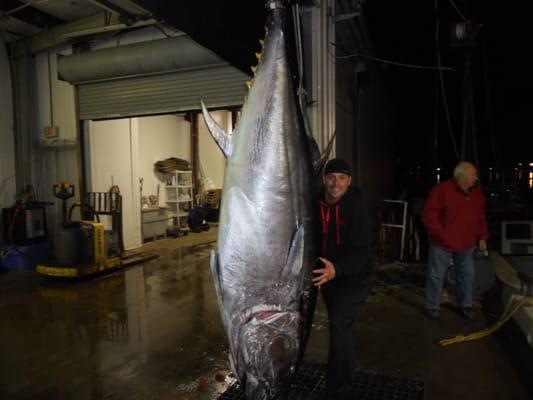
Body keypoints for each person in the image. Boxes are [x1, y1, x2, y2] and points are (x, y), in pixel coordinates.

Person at [312, 158, 374, 400]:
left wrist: (337, 269)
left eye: (341, 178)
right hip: (328, 277)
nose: (335, 182)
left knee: (340, 323)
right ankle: (334, 381)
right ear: (324, 179)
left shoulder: (355, 206)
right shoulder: (315, 202)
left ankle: (342, 390)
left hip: (356, 278)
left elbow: (363, 252)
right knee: (339, 329)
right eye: (331, 177)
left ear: (349, 181)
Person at [422, 161, 488, 320]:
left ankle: (465, 305)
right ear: (461, 176)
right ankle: (432, 305)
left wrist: (482, 237)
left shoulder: (476, 194)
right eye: (473, 174)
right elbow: (429, 215)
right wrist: (441, 235)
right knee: (436, 275)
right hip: (442, 244)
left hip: (466, 244)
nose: (476, 178)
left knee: (466, 275)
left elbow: (480, 217)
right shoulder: (442, 190)